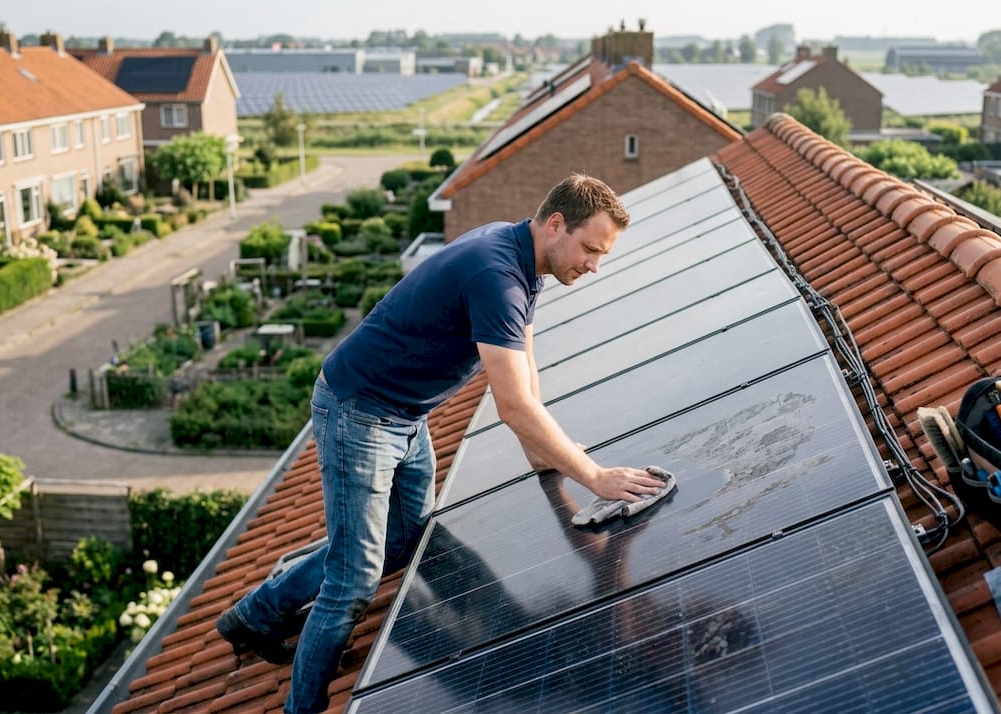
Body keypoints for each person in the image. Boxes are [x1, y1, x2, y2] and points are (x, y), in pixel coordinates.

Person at [216, 173, 666, 713]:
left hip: (403, 415)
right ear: (555, 225)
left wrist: (543, 453)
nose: (595, 265)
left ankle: (255, 614)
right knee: (353, 580)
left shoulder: (523, 260)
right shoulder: (497, 274)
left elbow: (525, 378)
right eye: (591, 249)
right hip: (359, 413)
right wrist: (593, 477)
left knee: (404, 538)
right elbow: (514, 406)